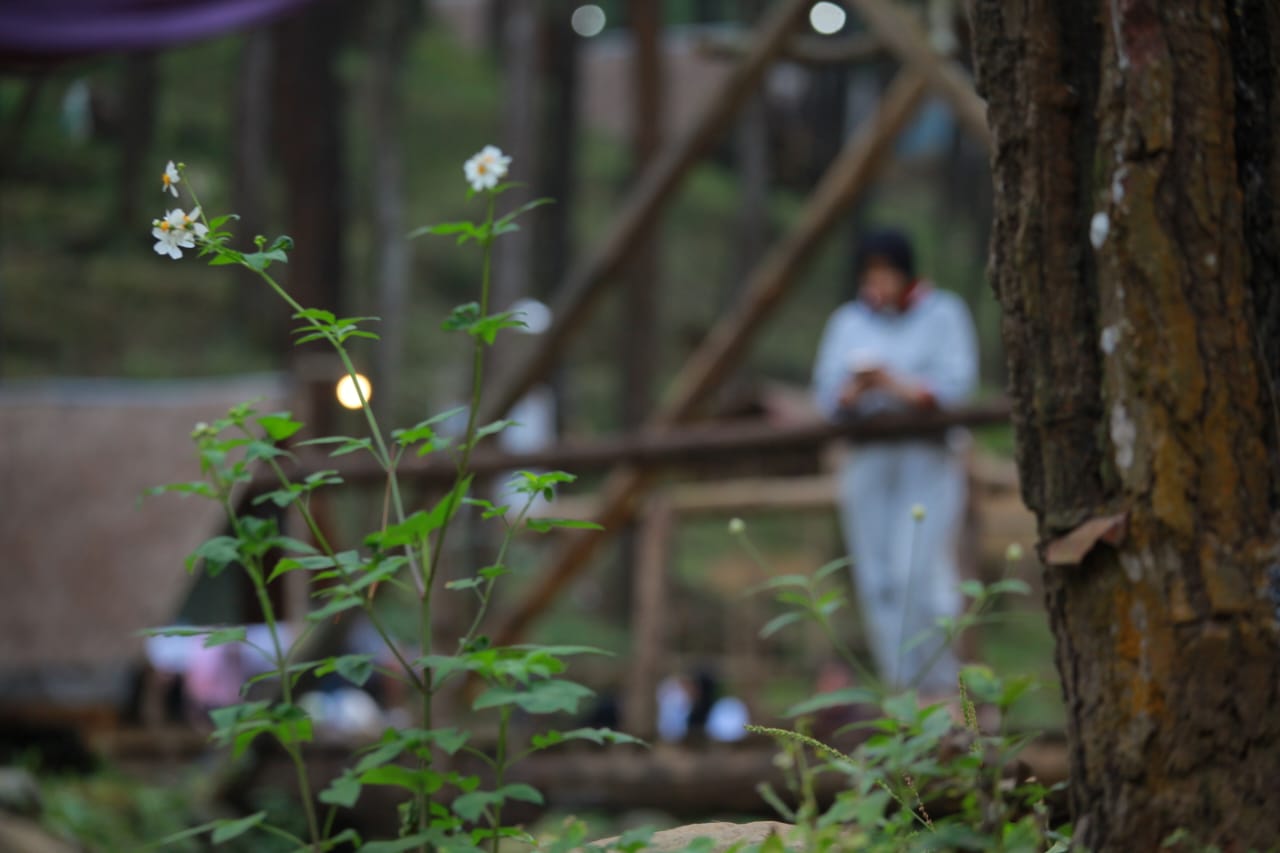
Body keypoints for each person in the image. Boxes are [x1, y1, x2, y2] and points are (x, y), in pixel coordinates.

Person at [811, 228, 977, 697]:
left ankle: (945, 686)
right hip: (868, 459)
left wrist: (892, 382)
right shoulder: (848, 322)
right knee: (877, 580)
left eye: (885, 272)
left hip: (926, 457)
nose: (878, 283)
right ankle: (901, 690)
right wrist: (854, 391)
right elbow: (825, 396)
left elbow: (956, 386)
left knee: (916, 576)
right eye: (870, 274)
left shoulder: (943, 313)